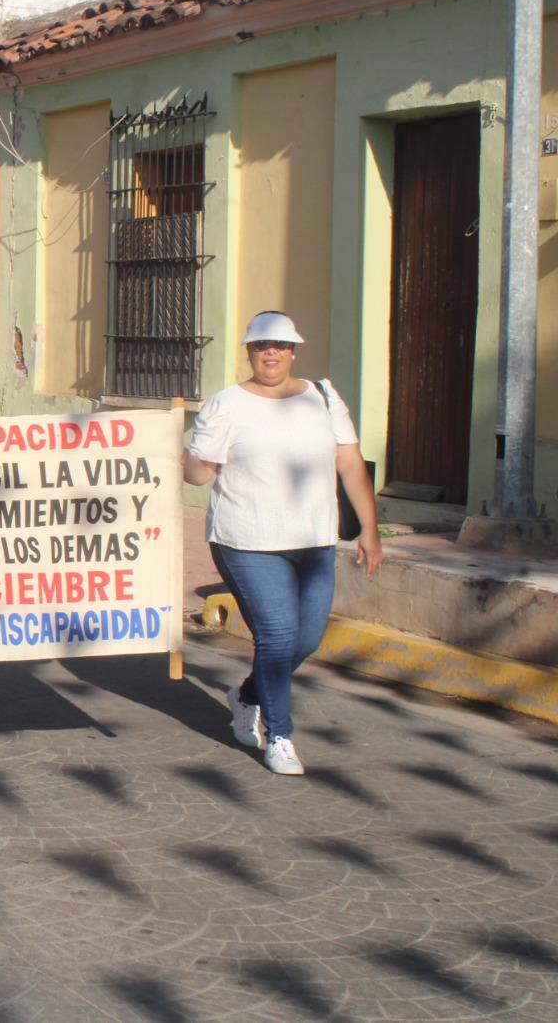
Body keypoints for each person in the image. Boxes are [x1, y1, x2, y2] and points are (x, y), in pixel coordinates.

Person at [184, 310, 383, 776]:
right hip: (246, 541)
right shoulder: (227, 403)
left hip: (313, 541)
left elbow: (350, 466)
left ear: (293, 350)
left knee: (306, 640)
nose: (270, 353)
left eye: (279, 345)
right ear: (249, 352)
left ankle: (247, 696)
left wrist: (370, 530)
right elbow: (198, 477)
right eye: (260, 346)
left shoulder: (323, 397)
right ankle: (280, 735)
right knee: (276, 638)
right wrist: (189, 458)